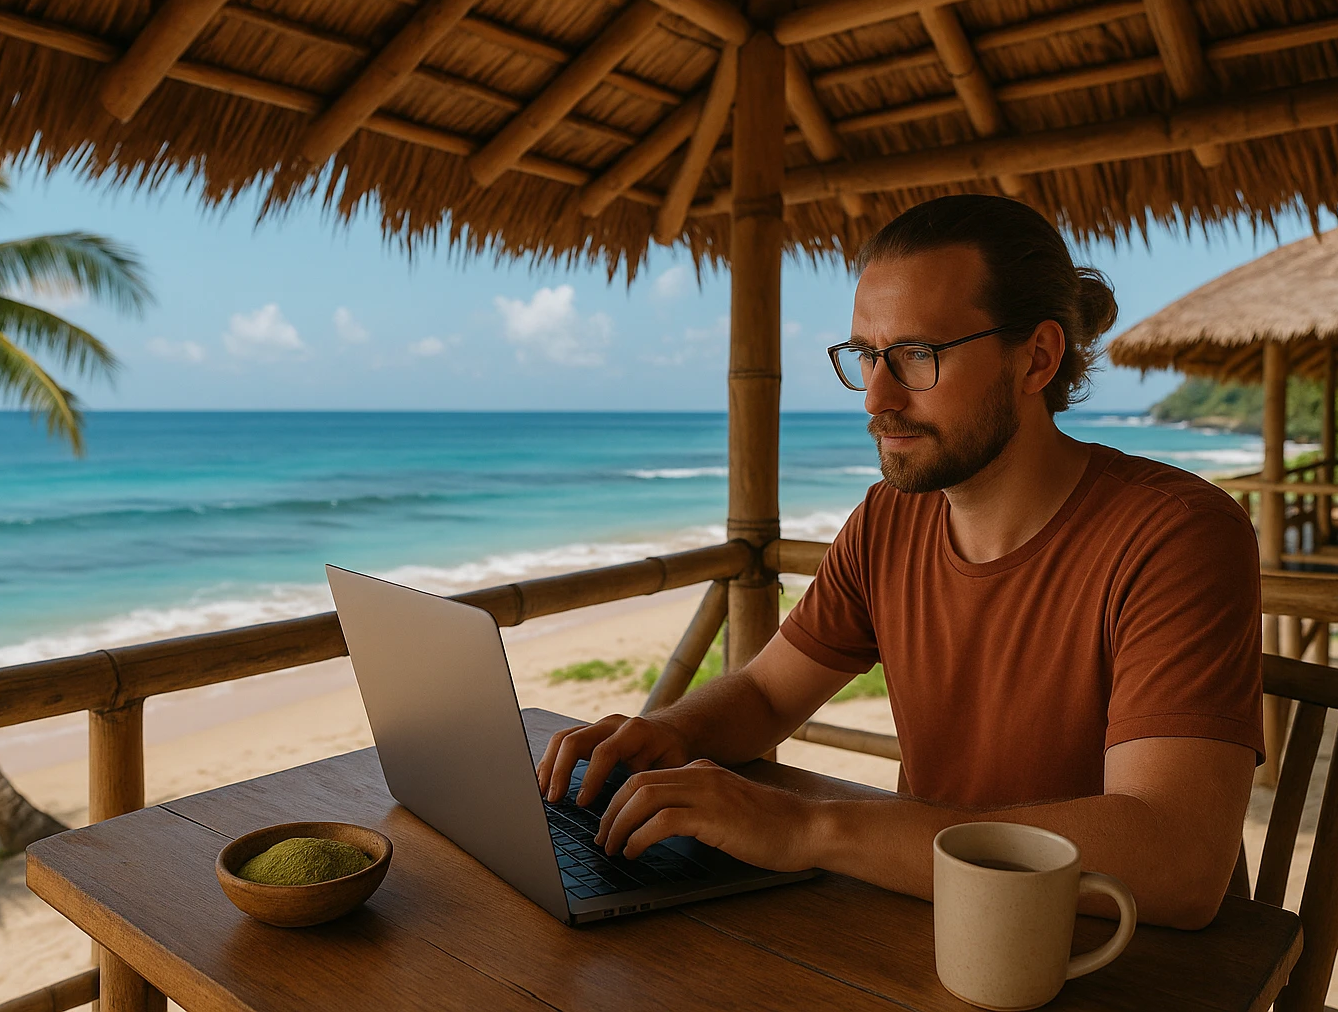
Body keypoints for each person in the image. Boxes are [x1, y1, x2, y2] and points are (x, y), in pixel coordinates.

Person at [537, 195, 1263, 930]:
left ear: (1036, 358)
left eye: (919, 354)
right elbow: (764, 696)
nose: (876, 398)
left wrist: (810, 828)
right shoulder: (892, 518)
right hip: (937, 921)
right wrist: (670, 732)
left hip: (1116, 955)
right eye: (866, 356)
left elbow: (1177, 859)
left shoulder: (1175, 535)